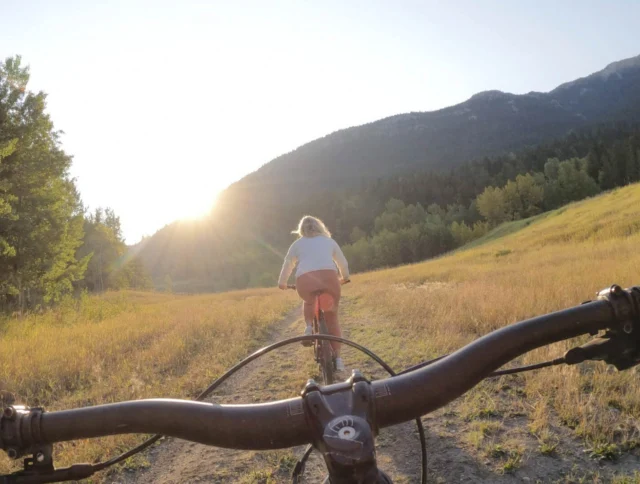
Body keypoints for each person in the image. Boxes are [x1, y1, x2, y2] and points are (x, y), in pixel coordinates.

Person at [278, 215, 350, 372]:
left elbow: (288, 263)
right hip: (329, 278)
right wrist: (345, 277)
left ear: (301, 230)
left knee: (309, 300)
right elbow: (342, 262)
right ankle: (338, 360)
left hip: (305, 280)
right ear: (320, 227)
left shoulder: (297, 244)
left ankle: (309, 327)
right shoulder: (329, 241)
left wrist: (282, 283)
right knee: (332, 319)